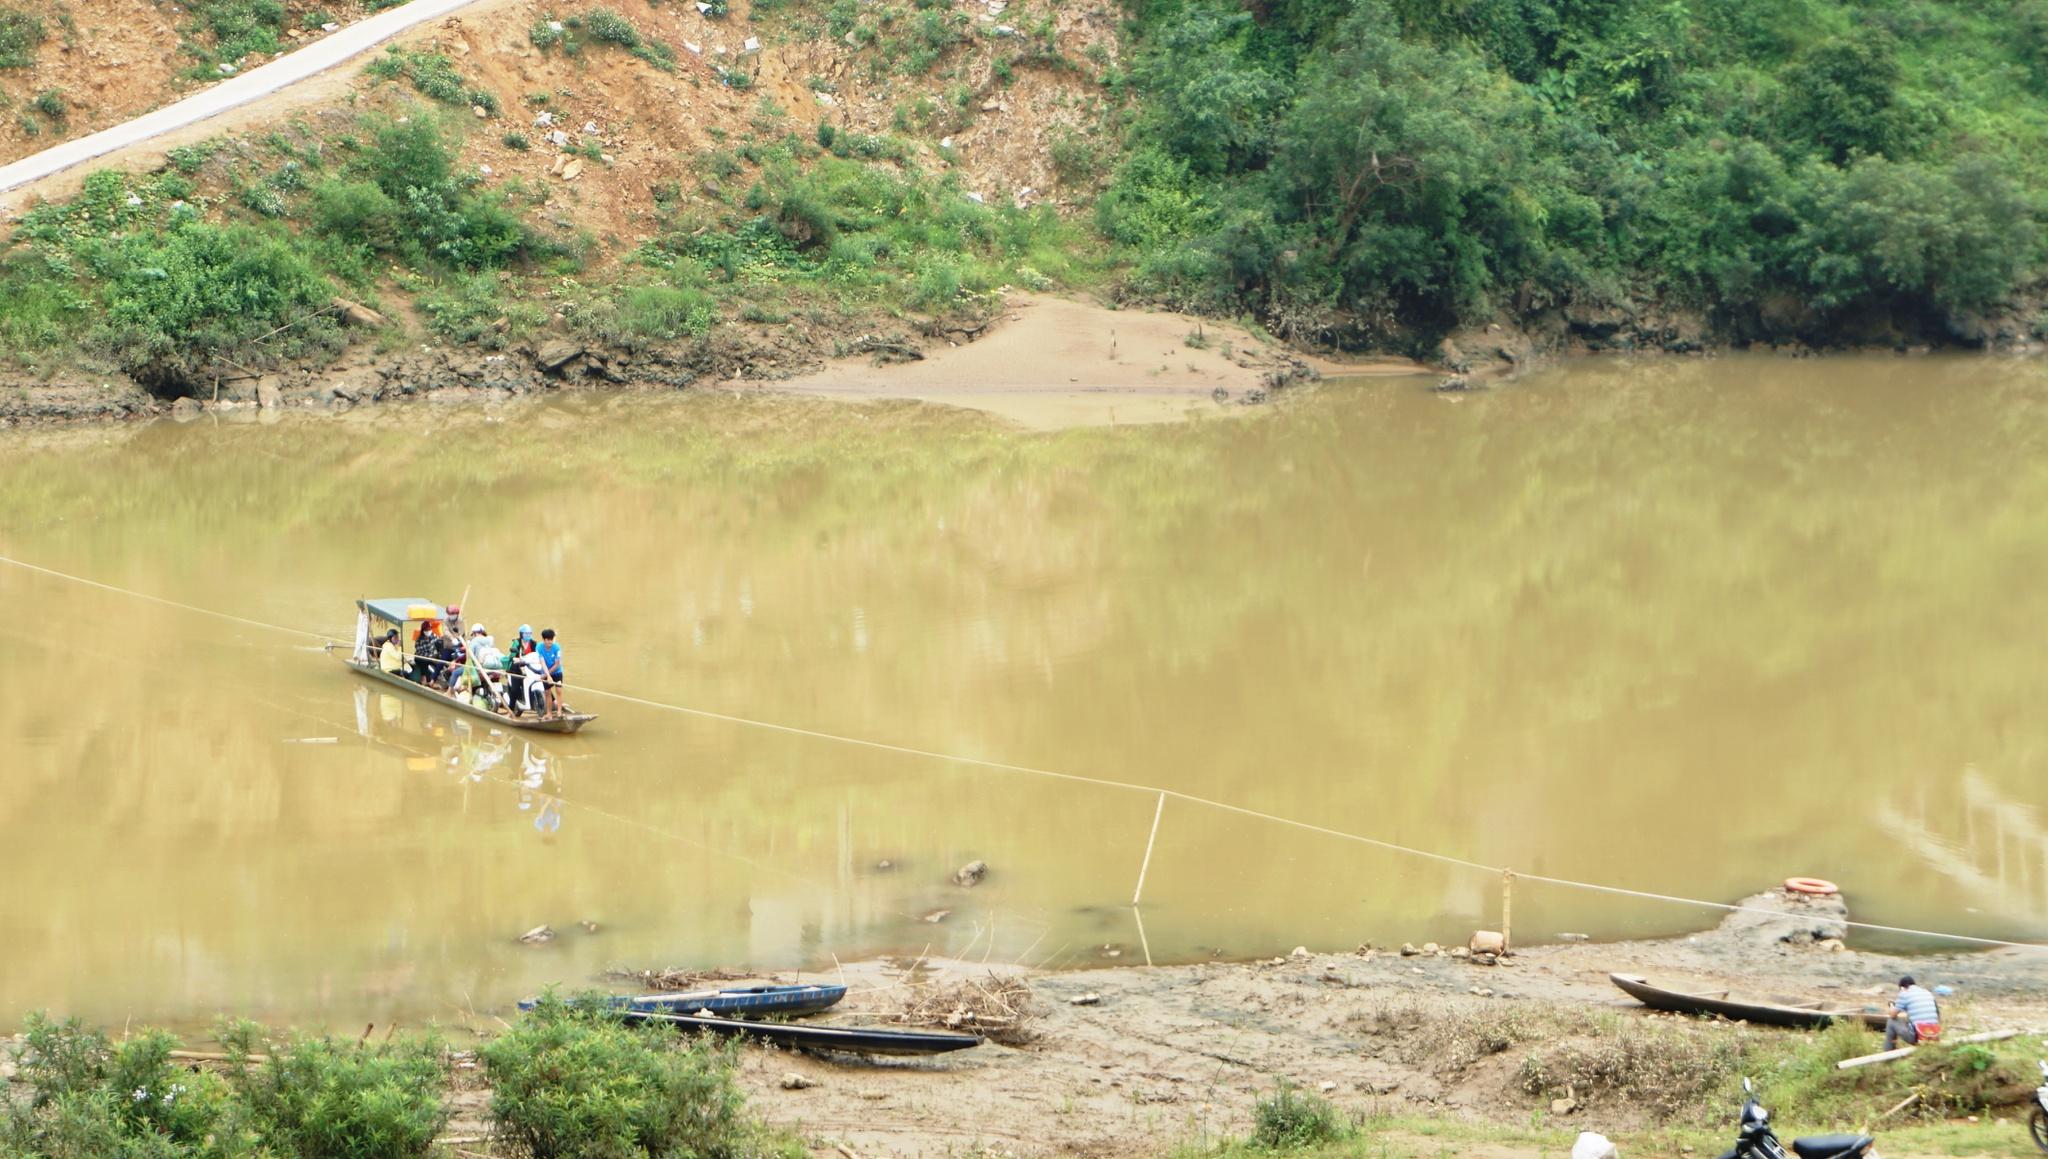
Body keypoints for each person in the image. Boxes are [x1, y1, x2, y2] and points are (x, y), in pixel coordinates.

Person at [1884, 974, 1941, 1049]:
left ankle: (1889, 1051)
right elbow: (1937, 1014)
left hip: (1918, 1037)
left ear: (1902, 988)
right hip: (1934, 1035)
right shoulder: (1927, 993)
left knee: (1891, 1021)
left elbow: (1892, 1015)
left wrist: (1891, 1005)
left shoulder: (1904, 994)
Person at [537, 628, 565, 717]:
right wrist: (547, 676)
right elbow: (542, 663)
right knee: (547, 692)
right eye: (548, 640)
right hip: (545, 671)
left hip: (557, 671)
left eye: (551, 640)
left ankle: (559, 711)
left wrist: (546, 675)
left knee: (559, 690)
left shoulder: (557, 648)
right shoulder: (539, 647)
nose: (550, 642)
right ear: (544, 640)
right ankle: (549, 713)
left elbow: (557, 664)